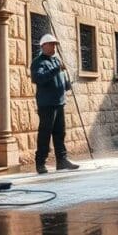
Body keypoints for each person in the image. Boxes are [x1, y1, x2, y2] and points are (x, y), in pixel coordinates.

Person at [30, 33, 79, 174]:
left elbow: (60, 77)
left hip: (59, 102)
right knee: (45, 134)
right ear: (43, 45)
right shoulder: (38, 62)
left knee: (60, 133)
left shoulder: (56, 61)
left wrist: (67, 84)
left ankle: (62, 161)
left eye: (55, 44)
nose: (54, 47)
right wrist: (57, 69)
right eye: (51, 44)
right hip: (46, 104)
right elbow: (38, 78)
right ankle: (40, 163)